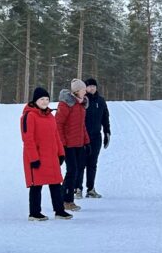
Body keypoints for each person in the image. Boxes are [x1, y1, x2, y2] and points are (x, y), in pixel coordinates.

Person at [20, 87, 69, 220]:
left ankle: (59, 211)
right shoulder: (29, 116)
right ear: (35, 100)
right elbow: (27, 139)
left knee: (55, 184)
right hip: (37, 157)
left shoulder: (50, 116)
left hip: (51, 156)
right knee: (36, 185)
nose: (45, 102)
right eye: (42, 99)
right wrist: (34, 158)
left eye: (47, 99)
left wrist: (61, 153)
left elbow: (56, 136)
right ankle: (34, 213)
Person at [56, 78, 90, 212]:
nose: (85, 92)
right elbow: (58, 125)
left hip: (79, 144)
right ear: (77, 91)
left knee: (77, 170)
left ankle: (63, 196)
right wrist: (62, 144)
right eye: (83, 90)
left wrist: (86, 142)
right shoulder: (66, 104)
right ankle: (67, 200)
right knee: (72, 171)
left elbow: (82, 126)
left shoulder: (81, 105)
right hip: (68, 145)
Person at [77, 78, 110, 199]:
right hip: (82, 138)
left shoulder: (100, 101)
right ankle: (77, 189)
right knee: (80, 164)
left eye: (94, 86)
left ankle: (90, 189)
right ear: (85, 88)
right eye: (89, 86)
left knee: (92, 164)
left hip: (96, 137)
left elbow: (105, 118)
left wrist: (107, 132)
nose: (92, 88)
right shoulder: (82, 101)